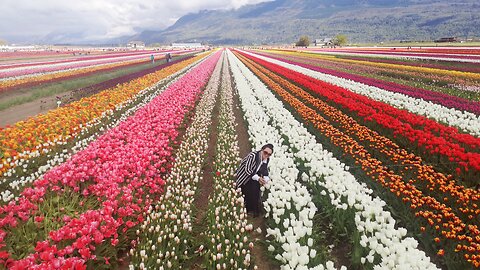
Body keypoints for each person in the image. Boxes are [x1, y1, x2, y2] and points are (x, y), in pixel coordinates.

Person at [236, 144, 273, 217]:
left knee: (256, 190)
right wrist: (258, 178)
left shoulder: (266, 159)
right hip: (244, 176)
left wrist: (265, 179)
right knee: (248, 191)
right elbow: (247, 170)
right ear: (262, 150)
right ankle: (247, 209)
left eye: (269, 154)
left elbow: (264, 170)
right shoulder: (252, 156)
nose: (266, 155)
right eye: (265, 152)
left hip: (254, 175)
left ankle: (254, 210)